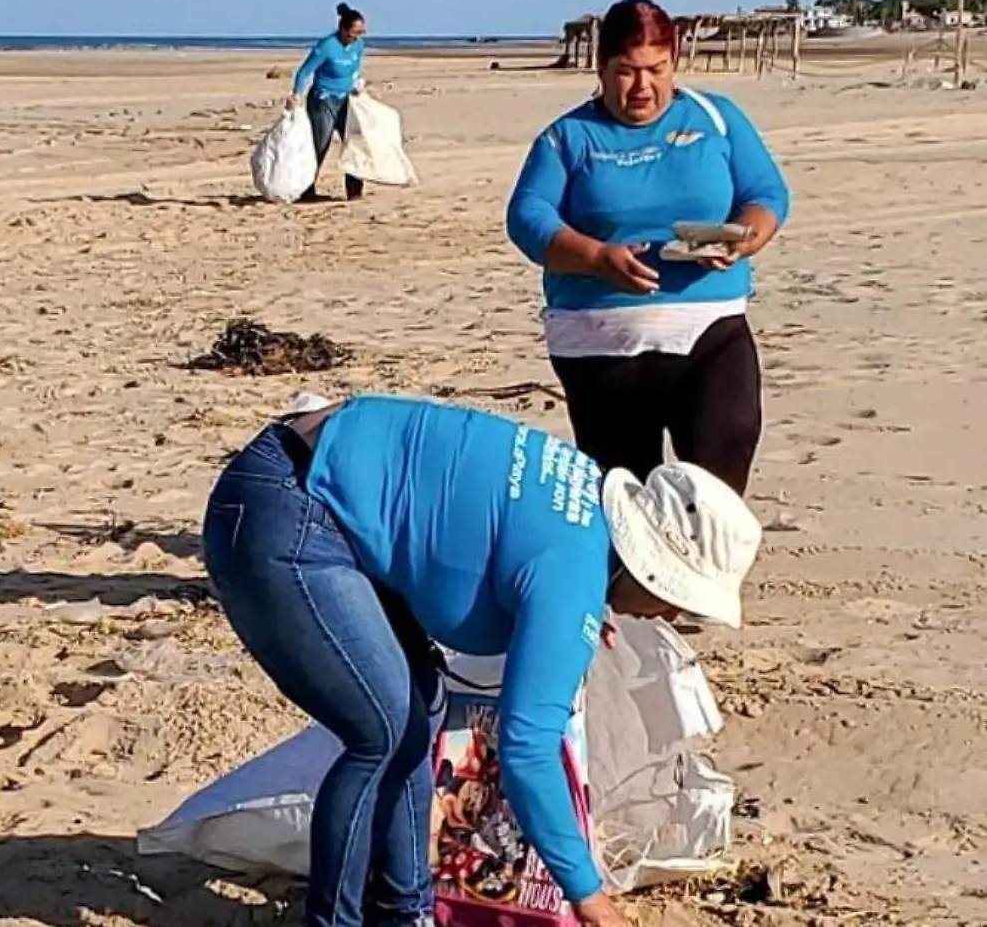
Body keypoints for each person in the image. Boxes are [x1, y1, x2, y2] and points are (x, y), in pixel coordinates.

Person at [201, 392, 762, 927]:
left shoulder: (586, 518)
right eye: (675, 598)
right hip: (289, 506)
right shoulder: (570, 578)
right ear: (652, 566)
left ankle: (406, 912)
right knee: (382, 733)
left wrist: (579, 610)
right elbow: (527, 750)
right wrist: (587, 895)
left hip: (309, 477)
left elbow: (524, 543)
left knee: (416, 718)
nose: (665, 615)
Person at [506, 0, 791, 496]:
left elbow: (766, 194)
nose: (642, 87)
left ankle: (707, 572)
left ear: (675, 62)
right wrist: (596, 259)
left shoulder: (716, 117)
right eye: (626, 72)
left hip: (710, 330)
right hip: (600, 344)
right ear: (601, 68)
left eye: (656, 70)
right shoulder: (568, 137)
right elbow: (527, 218)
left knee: (718, 485)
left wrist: (743, 238)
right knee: (628, 499)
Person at [288, 3, 370, 201]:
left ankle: (354, 191)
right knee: (319, 145)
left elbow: (355, 67)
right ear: (343, 29)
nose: (357, 36)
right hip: (323, 101)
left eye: (361, 32)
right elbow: (304, 72)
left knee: (354, 144)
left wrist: (357, 83)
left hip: (347, 100)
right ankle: (306, 190)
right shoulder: (326, 46)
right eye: (353, 32)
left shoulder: (358, 45)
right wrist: (297, 96)